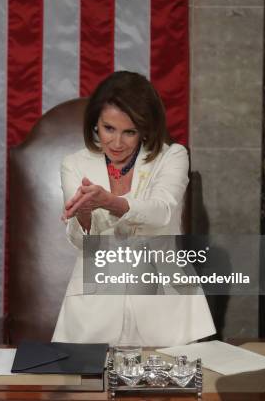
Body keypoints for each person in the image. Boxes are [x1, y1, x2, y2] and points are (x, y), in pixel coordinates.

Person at [52, 71, 215, 346]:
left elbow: (161, 211)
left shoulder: (172, 156)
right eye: (109, 129)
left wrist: (109, 202)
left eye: (129, 132)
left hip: (167, 307)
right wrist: (83, 216)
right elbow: (83, 242)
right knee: (89, 388)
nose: (117, 143)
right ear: (95, 125)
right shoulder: (74, 163)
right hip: (94, 310)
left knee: (174, 388)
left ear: (146, 129)